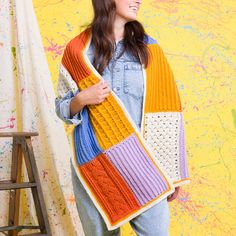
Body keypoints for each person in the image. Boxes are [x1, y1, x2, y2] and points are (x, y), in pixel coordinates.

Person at [55, 0, 189, 235]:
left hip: (143, 163)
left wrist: (173, 173)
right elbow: (61, 109)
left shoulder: (149, 49)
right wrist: (81, 99)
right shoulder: (79, 51)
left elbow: (169, 114)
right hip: (96, 163)